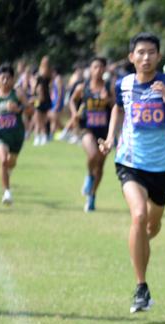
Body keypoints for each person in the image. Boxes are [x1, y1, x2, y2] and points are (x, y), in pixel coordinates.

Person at [98, 32, 165, 313]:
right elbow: (118, 109)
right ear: (131, 57)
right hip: (129, 162)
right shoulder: (123, 84)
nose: (145, 57)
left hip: (163, 169)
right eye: (140, 52)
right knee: (139, 216)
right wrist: (110, 139)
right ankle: (141, 288)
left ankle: (137, 243)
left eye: (151, 52)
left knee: (151, 227)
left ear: (158, 56)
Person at [69, 56, 114, 211]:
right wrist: (74, 113)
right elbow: (71, 100)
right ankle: (89, 176)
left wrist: (108, 100)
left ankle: (92, 196)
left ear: (105, 70)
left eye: (101, 67)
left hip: (104, 130)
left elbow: (116, 107)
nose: (98, 70)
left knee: (100, 166)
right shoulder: (83, 87)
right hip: (87, 128)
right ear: (90, 69)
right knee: (93, 155)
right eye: (95, 67)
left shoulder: (108, 87)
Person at [0, 64, 28, 206]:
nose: (4, 81)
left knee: (11, 162)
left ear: (13, 80)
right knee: (3, 160)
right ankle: (7, 192)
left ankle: (7, 174)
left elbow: (30, 110)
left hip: (16, 135)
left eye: (8, 78)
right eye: (2, 78)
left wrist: (18, 109)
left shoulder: (18, 94)